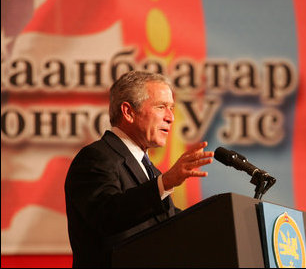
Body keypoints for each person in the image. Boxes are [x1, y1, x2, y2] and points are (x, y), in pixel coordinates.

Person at [64, 71, 214, 268]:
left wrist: (219, 224)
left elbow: (169, 227)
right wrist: (165, 183)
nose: (170, 117)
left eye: (171, 108)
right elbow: (107, 216)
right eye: (161, 107)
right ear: (128, 112)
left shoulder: (152, 172)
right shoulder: (96, 158)